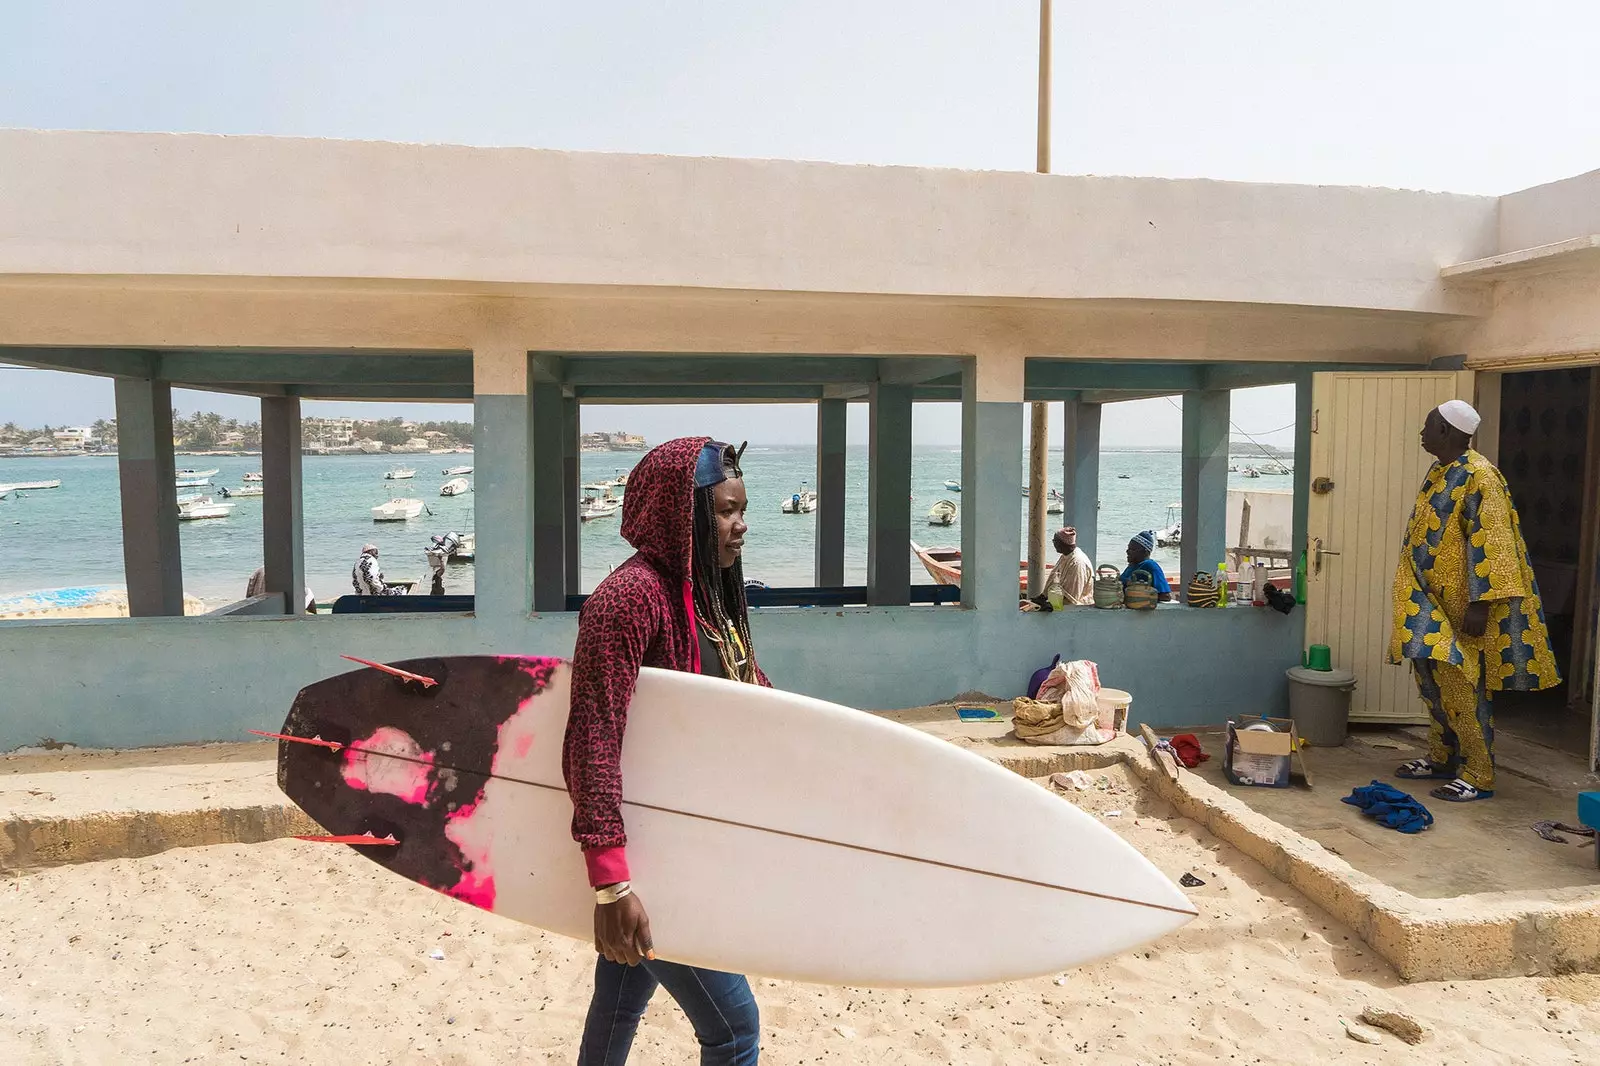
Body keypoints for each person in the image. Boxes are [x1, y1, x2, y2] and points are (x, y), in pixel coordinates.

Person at [564, 437, 767, 1066]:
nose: (742, 525)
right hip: (647, 861)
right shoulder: (628, 601)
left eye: (742, 508)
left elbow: (750, 694)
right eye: (728, 512)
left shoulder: (712, 595)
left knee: (619, 1006)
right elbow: (593, 736)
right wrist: (611, 885)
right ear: (686, 519)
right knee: (735, 1030)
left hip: (689, 844)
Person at [1389, 400, 1560, 802]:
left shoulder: (1481, 476)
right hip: (1426, 599)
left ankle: (1479, 774)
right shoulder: (1440, 470)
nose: (1422, 431)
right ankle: (1442, 756)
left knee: (1462, 684)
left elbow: (1495, 540)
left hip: (1462, 605)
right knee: (1429, 679)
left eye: (1428, 424)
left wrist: (1482, 603)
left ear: (1447, 431)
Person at [1028, 526, 1095, 609]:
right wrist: (1042, 597)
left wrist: (1050, 605)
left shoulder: (1077, 563)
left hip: (1077, 608)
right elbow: (1053, 578)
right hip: (1061, 603)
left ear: (1062, 543)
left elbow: (1072, 598)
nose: (1053, 543)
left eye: (1055, 541)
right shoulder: (1065, 556)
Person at [1121, 530, 1172, 601]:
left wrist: (1140, 595)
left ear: (1145, 552)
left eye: (1132, 549)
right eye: (1128, 548)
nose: (1127, 552)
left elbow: (1165, 596)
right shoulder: (1132, 566)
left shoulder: (1150, 566)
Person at [246, 565, 316, 613]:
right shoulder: (288, 570)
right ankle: (314, 614)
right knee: (309, 592)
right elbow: (299, 588)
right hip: (281, 607)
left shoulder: (259, 570)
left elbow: (249, 591)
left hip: (259, 604)